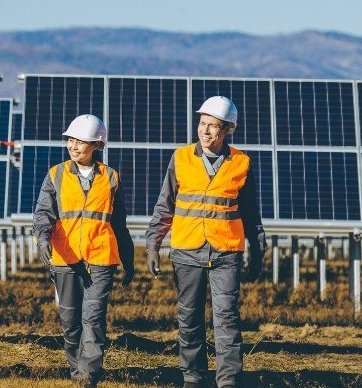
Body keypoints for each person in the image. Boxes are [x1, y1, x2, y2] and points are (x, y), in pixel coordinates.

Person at [146, 96, 266, 388]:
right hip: (186, 251)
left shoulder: (242, 163)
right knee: (189, 319)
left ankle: (228, 381)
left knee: (226, 319)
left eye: (213, 126)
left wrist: (259, 249)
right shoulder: (181, 158)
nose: (206, 131)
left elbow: (251, 212)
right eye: (202, 124)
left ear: (227, 130)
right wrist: (153, 244)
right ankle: (193, 377)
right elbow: (165, 206)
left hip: (226, 252)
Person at [33, 114, 135, 388]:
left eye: (81, 141)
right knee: (70, 320)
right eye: (71, 140)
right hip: (66, 257)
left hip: (101, 257)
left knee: (93, 316)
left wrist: (129, 259)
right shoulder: (56, 174)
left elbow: (119, 222)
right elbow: (43, 213)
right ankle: (76, 367)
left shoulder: (111, 177)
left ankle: (87, 375)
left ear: (96, 145)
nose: (74, 146)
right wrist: (43, 238)